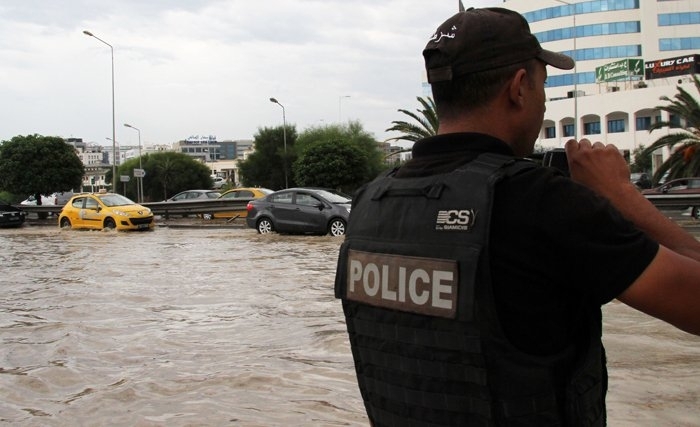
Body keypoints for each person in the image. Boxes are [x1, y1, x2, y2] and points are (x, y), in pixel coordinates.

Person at [334, 7, 700, 426]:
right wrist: (621, 195)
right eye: (545, 86)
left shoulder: (368, 204)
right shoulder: (542, 202)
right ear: (520, 88)